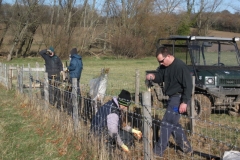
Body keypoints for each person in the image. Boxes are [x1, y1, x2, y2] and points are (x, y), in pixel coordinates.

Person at [145, 47, 193, 157]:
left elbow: (188, 86)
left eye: (162, 60)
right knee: (173, 123)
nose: (160, 63)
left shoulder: (181, 67)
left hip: (178, 99)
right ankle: (187, 148)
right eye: (159, 61)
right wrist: (153, 76)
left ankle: (158, 151)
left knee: (166, 123)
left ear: (169, 56)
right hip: (172, 98)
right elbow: (160, 76)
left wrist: (184, 102)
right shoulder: (164, 66)